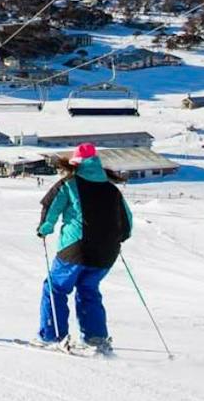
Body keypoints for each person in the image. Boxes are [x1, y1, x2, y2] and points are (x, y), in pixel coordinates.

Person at [35, 143, 133, 351]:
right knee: (88, 289)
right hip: (107, 253)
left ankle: (52, 336)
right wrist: (120, 237)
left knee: (55, 288)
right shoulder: (112, 189)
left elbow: (51, 206)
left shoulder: (70, 184)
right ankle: (95, 338)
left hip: (76, 249)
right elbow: (127, 221)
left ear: (76, 163)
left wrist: (44, 228)